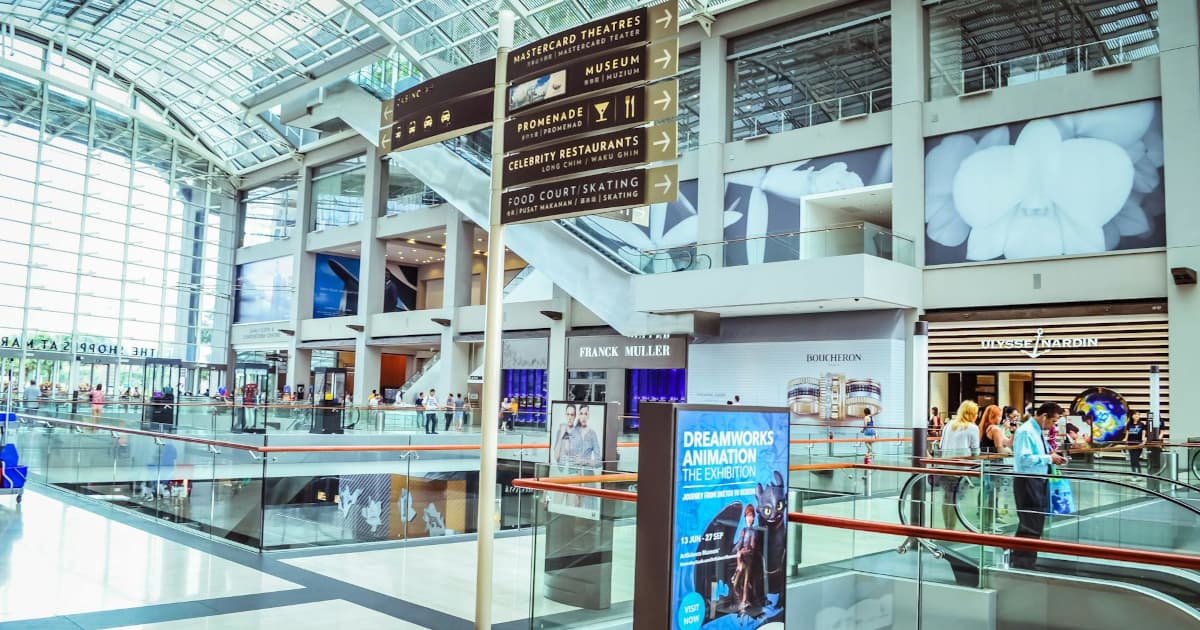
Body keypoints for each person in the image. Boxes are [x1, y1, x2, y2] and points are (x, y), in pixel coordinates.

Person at [1011, 402, 1067, 569]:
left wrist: (1051, 456)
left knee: (1034, 523)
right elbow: (1024, 459)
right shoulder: (1026, 431)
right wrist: (1049, 459)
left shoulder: (1036, 431)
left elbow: (1035, 454)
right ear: (1044, 417)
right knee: (1030, 523)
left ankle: (1025, 559)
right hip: (1028, 481)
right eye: (1053, 421)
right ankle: (1023, 562)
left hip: (1037, 480)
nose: (1053, 425)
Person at [937, 401, 980, 530]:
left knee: (947, 499)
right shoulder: (972, 427)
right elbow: (975, 450)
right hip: (961, 469)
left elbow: (941, 446)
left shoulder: (949, 425)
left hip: (946, 467)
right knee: (955, 500)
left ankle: (948, 528)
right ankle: (952, 530)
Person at [571, 404, 600, 468]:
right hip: (573, 473)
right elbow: (566, 456)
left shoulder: (592, 434)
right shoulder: (573, 432)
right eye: (581, 414)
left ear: (588, 416)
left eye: (586, 414)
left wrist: (585, 461)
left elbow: (598, 462)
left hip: (587, 473)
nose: (583, 417)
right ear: (578, 415)